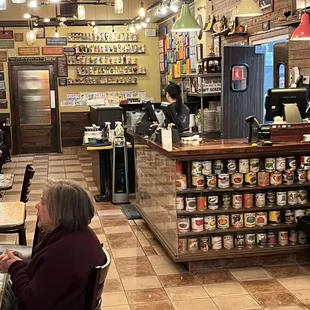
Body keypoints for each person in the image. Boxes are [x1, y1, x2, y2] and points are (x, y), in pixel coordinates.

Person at [0, 179, 106, 310]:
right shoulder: (81, 234)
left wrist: (14, 267)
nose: (37, 205)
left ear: (60, 212)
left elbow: (31, 301)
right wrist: (18, 263)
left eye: (43, 202)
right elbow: (47, 276)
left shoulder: (64, 252)